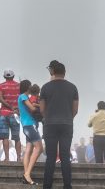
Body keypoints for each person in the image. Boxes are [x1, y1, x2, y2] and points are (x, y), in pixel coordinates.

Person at [40, 60, 79, 189]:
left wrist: (48, 118)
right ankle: (67, 185)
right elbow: (75, 109)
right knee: (65, 156)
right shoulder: (73, 87)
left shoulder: (45, 87)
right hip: (66, 124)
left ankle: (47, 186)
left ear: (53, 72)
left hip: (50, 124)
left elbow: (41, 109)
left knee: (50, 157)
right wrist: (68, 118)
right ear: (64, 73)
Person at [18, 79, 43, 185]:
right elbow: (32, 108)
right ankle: (27, 174)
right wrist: (41, 106)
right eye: (30, 85)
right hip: (30, 125)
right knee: (39, 148)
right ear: (27, 87)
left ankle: (26, 176)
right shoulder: (23, 96)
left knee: (28, 150)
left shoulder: (23, 97)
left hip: (26, 125)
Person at [0, 69, 22, 162]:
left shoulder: (1, 86)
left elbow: (0, 99)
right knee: (17, 137)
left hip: (4, 113)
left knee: (5, 137)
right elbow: (21, 99)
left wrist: (9, 106)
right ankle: (19, 157)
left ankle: (7, 158)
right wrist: (16, 108)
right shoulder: (19, 86)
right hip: (16, 114)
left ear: (4, 77)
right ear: (13, 76)